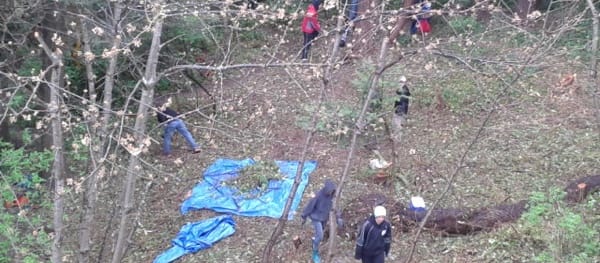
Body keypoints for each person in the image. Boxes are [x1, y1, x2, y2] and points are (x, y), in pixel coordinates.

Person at [301, 179, 342, 263]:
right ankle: (315, 252)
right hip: (316, 218)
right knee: (320, 236)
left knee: (319, 233)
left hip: (324, 218)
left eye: (332, 191)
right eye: (329, 191)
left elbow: (335, 207)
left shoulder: (332, 196)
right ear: (326, 189)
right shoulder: (318, 196)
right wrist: (304, 216)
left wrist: (339, 217)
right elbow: (310, 206)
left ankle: (315, 239)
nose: (330, 192)